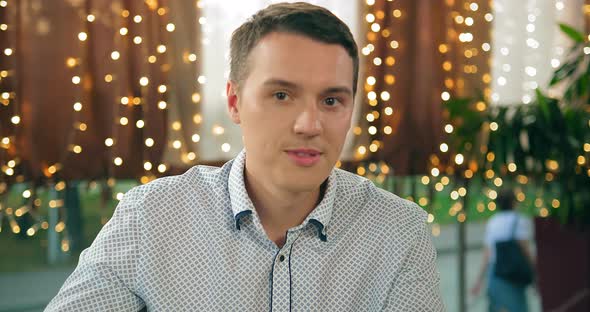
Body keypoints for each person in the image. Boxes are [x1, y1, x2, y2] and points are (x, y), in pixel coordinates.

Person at [45, 2, 444, 311]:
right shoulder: (152, 217)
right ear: (235, 102)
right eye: (282, 95)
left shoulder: (398, 232)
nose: (310, 124)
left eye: (332, 99)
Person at [471, 189, 535, 311]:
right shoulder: (520, 220)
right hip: (514, 273)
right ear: (513, 202)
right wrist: (534, 270)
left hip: (495, 273)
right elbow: (525, 250)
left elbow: (487, 255)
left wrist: (478, 281)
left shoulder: (493, 221)